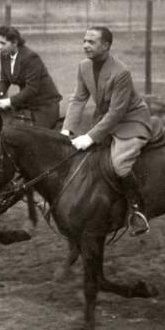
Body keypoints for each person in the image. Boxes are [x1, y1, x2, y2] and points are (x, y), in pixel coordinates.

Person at [61, 26, 153, 236]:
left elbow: (117, 113)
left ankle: (138, 212)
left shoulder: (121, 72)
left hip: (131, 122)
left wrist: (90, 136)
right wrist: (67, 130)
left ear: (106, 45)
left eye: (91, 42)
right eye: (84, 40)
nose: (85, 45)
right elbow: (78, 100)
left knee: (120, 164)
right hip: (106, 121)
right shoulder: (84, 67)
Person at [0, 25, 62, 129]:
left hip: (44, 106)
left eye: (3, 43)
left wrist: (9, 101)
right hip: (26, 104)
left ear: (15, 42)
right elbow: (4, 80)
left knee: (32, 137)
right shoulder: (4, 55)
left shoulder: (30, 57)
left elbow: (32, 89)